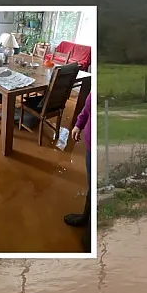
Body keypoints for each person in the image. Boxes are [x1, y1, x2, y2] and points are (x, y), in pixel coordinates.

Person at [63, 92, 92, 252]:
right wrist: (78, 124)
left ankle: (90, 234)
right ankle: (85, 217)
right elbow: (88, 106)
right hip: (90, 146)